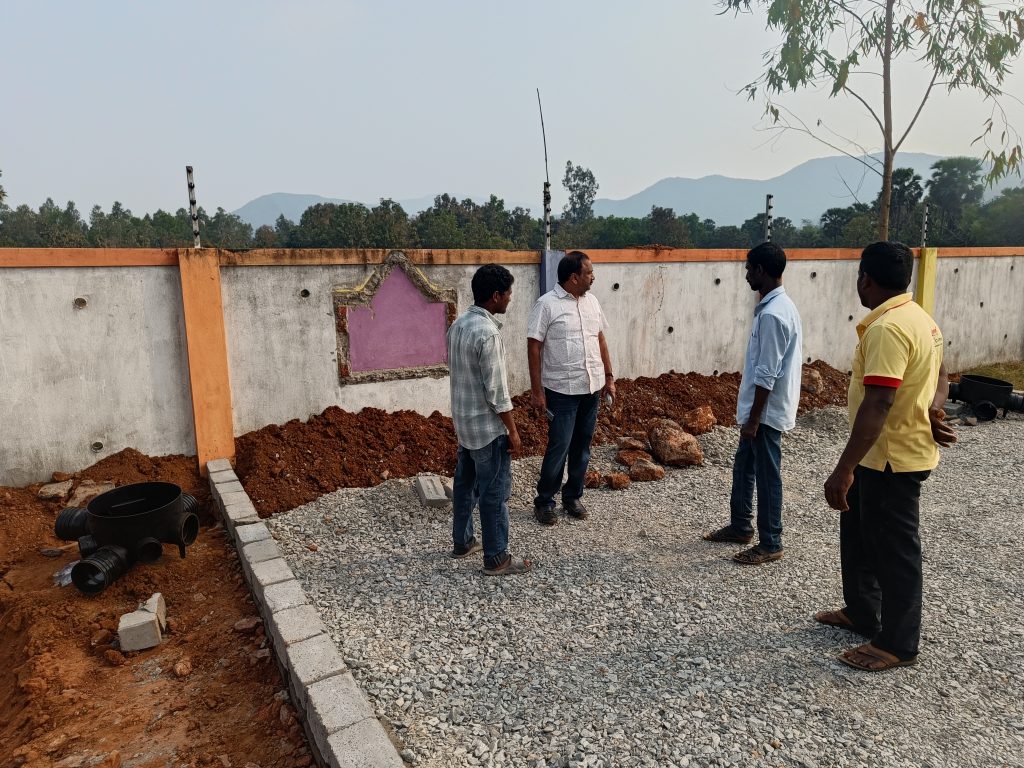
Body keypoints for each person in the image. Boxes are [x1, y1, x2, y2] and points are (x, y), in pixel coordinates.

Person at [819, 241, 955, 671]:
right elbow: (942, 374)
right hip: (878, 455)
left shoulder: (888, 329)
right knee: (859, 536)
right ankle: (862, 611)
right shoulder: (920, 319)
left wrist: (842, 469)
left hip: (892, 459)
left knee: (894, 549)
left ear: (866, 278)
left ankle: (898, 643)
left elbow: (877, 403)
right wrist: (933, 407)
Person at [704, 242, 803, 564]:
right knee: (744, 467)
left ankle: (771, 542)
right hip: (760, 411)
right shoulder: (776, 307)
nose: (746, 274)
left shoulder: (774, 314)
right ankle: (740, 526)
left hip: (766, 413)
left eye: (749, 268)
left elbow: (767, 373)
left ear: (761, 270)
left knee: (767, 474)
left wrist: (754, 419)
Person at [447, 264, 531, 576]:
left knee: (464, 486)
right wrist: (512, 429)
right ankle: (497, 558)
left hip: (465, 425)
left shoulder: (458, 326)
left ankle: (463, 541)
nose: (510, 299)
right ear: (496, 296)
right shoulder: (488, 333)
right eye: (508, 294)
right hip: (487, 429)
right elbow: (497, 392)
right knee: (494, 494)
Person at [527, 251, 615, 525]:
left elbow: (600, 339)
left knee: (582, 447)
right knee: (560, 446)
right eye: (589, 272)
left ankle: (573, 496)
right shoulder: (547, 305)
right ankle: (545, 501)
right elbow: (533, 346)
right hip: (561, 392)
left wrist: (609, 377)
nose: (593, 277)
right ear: (573, 277)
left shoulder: (592, 303)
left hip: (591, 387)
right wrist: (537, 391)